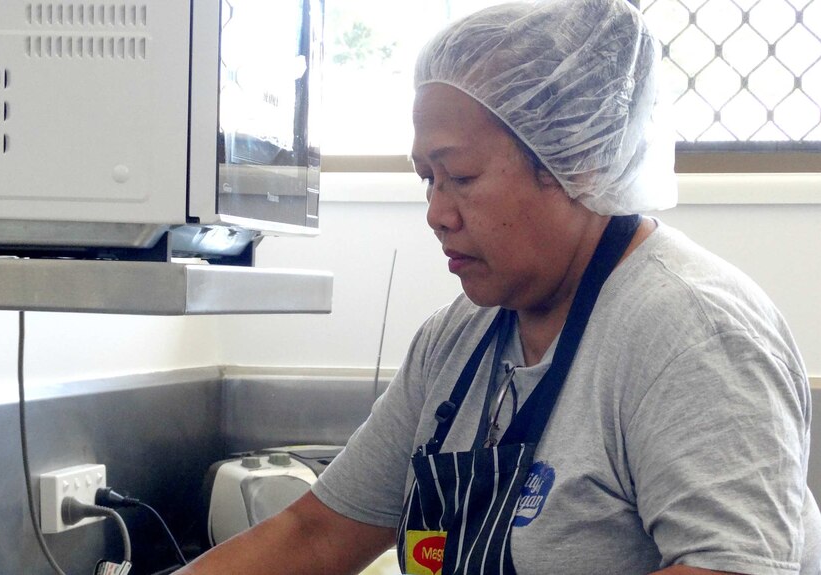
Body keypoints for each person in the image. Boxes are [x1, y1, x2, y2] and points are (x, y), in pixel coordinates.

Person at [176, 0, 821, 573]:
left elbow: (733, 567)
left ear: (575, 161)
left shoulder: (691, 336)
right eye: (426, 178)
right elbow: (315, 534)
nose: (436, 212)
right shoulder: (457, 340)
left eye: (459, 176)